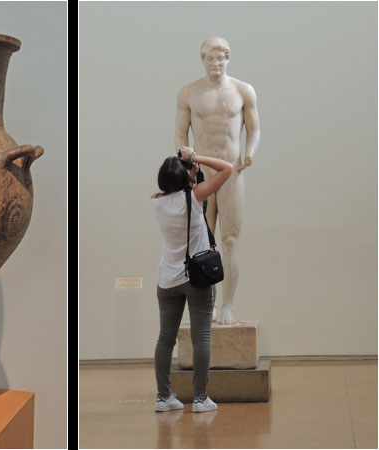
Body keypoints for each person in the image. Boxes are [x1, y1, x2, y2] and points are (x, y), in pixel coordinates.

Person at [175, 37, 260, 324]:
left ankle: (228, 305)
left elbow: (254, 129)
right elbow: (180, 133)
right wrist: (186, 162)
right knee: (202, 241)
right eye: (210, 59)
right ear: (203, 60)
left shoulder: (242, 90)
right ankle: (208, 304)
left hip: (232, 173)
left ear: (227, 59)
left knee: (230, 240)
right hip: (201, 174)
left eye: (220, 58)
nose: (215, 63)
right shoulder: (189, 92)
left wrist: (249, 153)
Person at [150, 146, 233, 413]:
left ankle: (164, 398)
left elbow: (176, 193)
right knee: (201, 338)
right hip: (196, 278)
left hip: (167, 280)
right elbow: (227, 169)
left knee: (165, 339)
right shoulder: (195, 197)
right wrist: (194, 158)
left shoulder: (157, 201)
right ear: (186, 178)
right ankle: (200, 399)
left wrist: (188, 175)